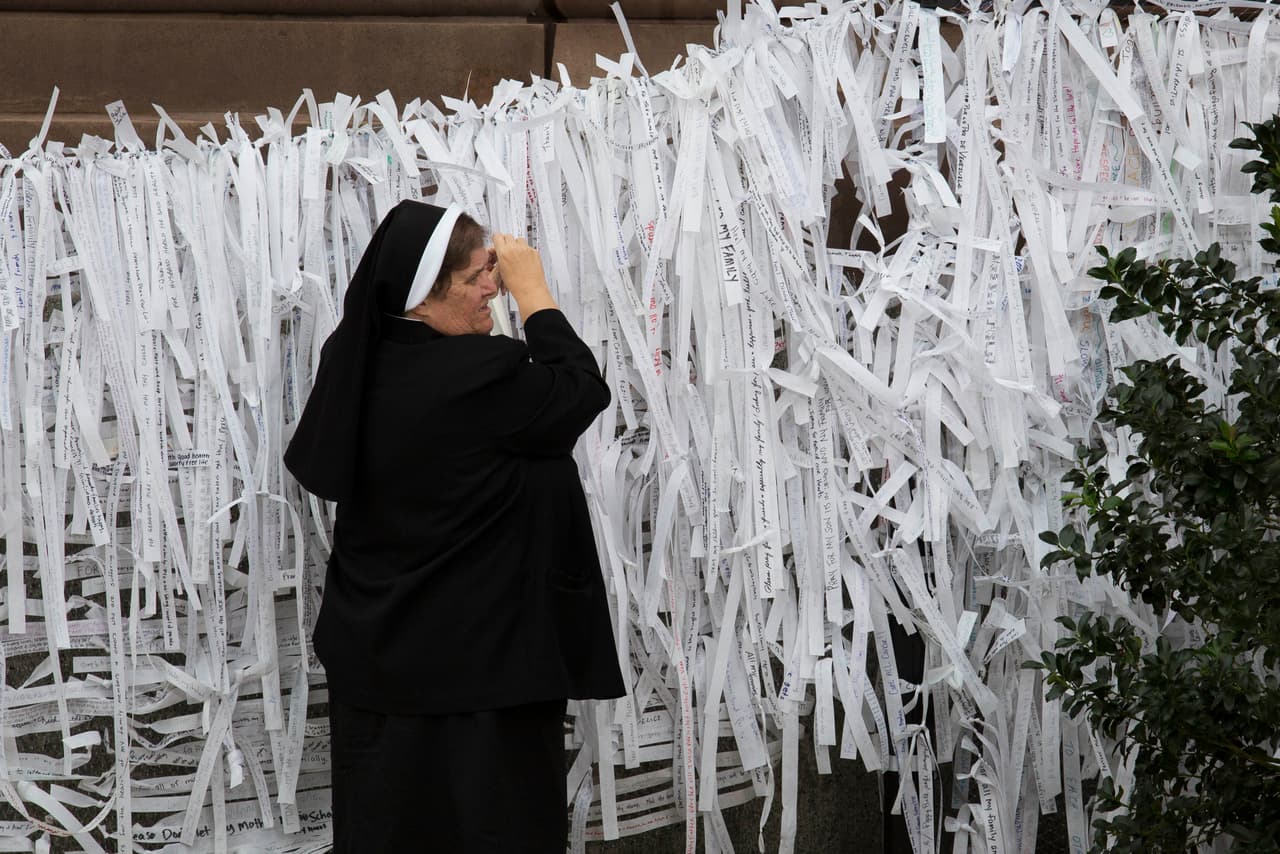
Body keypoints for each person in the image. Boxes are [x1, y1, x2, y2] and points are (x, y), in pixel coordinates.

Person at [284, 200, 626, 852]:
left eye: (492, 276)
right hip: (483, 683)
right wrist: (536, 296)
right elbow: (581, 390)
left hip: (380, 668)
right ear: (420, 298)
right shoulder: (480, 375)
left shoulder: (358, 364)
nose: (492, 288)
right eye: (476, 279)